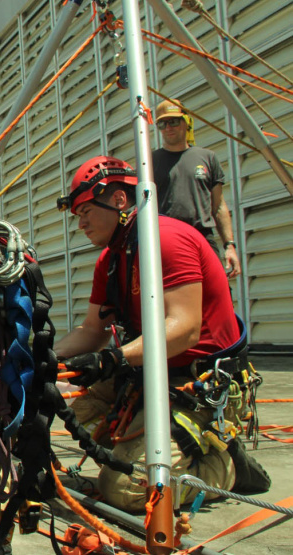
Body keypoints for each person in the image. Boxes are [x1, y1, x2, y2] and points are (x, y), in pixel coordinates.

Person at [54, 156, 269, 512]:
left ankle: (226, 467)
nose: (82, 224)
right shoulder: (111, 259)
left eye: (87, 210)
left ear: (119, 200)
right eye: (77, 215)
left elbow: (184, 330)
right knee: (58, 403)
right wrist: (44, 357)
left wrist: (113, 358)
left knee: (127, 490)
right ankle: (158, 446)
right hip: (148, 372)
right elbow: (93, 331)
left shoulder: (165, 239)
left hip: (196, 383)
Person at [152, 99, 241, 278]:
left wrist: (229, 246)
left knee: (216, 294)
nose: (168, 127)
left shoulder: (207, 158)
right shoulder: (149, 161)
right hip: (166, 241)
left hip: (202, 238)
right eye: (162, 123)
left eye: (174, 121)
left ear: (186, 122)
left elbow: (219, 206)